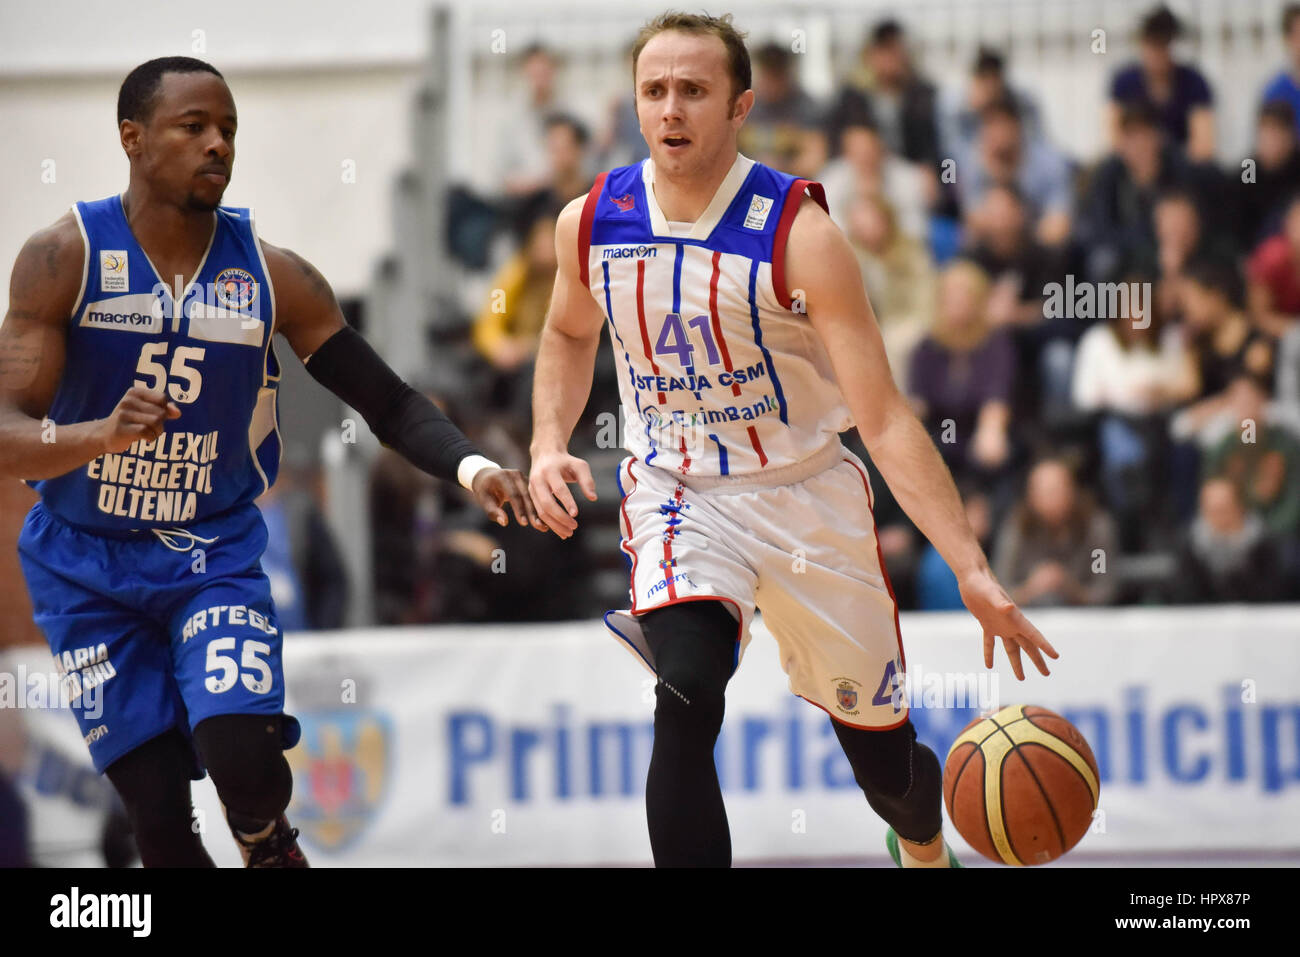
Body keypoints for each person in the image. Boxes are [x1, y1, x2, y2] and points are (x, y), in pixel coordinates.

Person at [527, 12, 1056, 869]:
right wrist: (549, 438)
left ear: (740, 107)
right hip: (681, 492)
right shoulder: (589, 223)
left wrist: (971, 566)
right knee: (687, 690)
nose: (671, 109)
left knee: (887, 766)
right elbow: (563, 333)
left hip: (808, 493)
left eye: (693, 91)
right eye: (654, 91)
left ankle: (921, 842)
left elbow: (881, 416)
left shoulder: (801, 234)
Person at [0, 57, 542, 868]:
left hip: (209, 549)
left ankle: (267, 841)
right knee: (157, 819)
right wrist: (99, 436)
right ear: (133, 139)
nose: (218, 144)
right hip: (84, 562)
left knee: (243, 759)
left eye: (229, 131)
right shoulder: (63, 257)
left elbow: (388, 401)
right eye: (195, 128)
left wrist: (472, 469)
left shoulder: (272, 273)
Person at [1107, 5, 1215, 161]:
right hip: (1133, 165)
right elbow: (1114, 140)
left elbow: (1204, 146)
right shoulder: (1124, 82)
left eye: (1162, 45)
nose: (1157, 53)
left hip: (1179, 167)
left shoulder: (1194, 82)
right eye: (1152, 44)